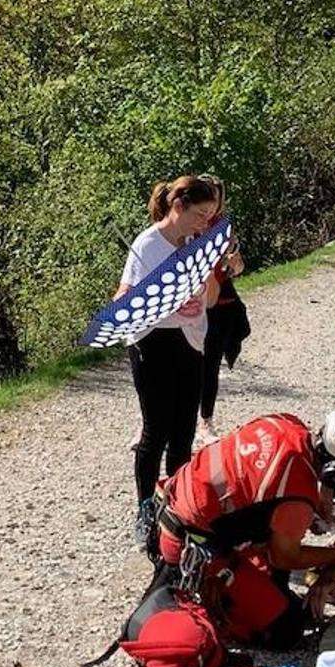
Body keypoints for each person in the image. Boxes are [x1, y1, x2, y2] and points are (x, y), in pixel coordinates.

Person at [153, 409, 335, 648]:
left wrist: (320, 505)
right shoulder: (296, 497)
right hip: (192, 547)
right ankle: (218, 613)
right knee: (288, 628)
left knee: (279, 582)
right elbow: (285, 558)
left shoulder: (286, 422)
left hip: (176, 503)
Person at [118, 176, 222, 519]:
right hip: (153, 343)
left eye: (210, 216)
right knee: (157, 429)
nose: (206, 223)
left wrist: (201, 290)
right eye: (201, 214)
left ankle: (178, 506)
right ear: (178, 207)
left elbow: (213, 296)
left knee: (184, 431)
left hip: (190, 341)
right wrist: (163, 300)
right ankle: (145, 509)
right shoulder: (147, 245)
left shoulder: (195, 242)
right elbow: (122, 300)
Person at [196, 175, 249, 446]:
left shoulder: (224, 229)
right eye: (206, 197)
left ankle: (206, 421)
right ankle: (155, 422)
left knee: (210, 364)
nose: (211, 205)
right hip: (190, 305)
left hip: (219, 306)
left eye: (215, 198)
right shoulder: (188, 225)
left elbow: (236, 270)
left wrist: (232, 265)